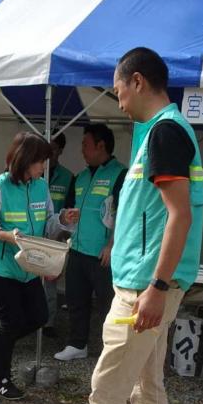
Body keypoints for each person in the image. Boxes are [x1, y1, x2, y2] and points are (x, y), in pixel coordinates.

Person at [38, 47, 203, 404]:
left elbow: (180, 215)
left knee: (107, 385)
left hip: (145, 286)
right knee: (145, 382)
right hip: (143, 281)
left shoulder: (166, 133)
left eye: (118, 90)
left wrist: (157, 285)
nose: (117, 101)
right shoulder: (154, 134)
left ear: (136, 81)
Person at [0, 132, 79, 400]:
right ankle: (1, 379)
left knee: (40, 316)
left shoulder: (41, 187)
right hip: (0, 266)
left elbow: (47, 226)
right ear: (26, 159)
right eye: (41, 161)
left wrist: (63, 219)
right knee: (12, 322)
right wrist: (6, 235)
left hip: (29, 266)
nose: (44, 166)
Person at [54, 123, 127, 361]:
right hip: (77, 249)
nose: (82, 150)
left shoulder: (120, 175)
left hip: (103, 254)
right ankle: (77, 344)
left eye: (85, 144)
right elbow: (67, 213)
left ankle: (112, 349)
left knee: (108, 304)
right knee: (76, 300)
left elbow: (126, 215)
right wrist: (66, 224)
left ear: (101, 145)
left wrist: (112, 245)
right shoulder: (80, 177)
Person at [44, 133, 75, 337]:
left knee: (49, 282)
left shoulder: (68, 177)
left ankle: (48, 323)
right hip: (31, 235)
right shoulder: (35, 173)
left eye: (54, 149)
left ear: (61, 150)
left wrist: (61, 235)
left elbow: (71, 211)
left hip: (55, 238)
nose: (49, 154)